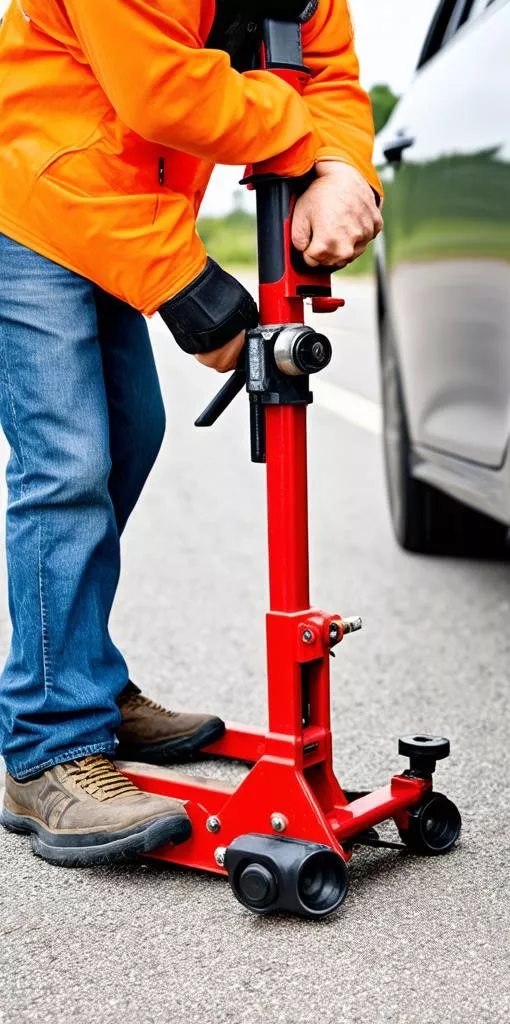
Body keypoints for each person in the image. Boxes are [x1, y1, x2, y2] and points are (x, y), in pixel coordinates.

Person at [0, 0, 383, 866]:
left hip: (113, 199)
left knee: (131, 433)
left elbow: (327, 74)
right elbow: (161, 91)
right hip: (28, 190)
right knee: (67, 464)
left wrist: (340, 166)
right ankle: (48, 745)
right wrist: (184, 276)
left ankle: (80, 676)